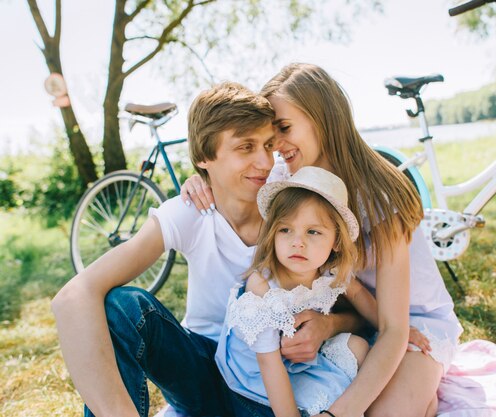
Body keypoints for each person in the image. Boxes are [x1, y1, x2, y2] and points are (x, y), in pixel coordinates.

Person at [51, 82, 356, 417]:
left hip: (273, 382)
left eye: (268, 145)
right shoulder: (191, 211)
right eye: (245, 147)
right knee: (123, 307)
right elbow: (73, 297)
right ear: (202, 158)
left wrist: (330, 325)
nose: (264, 162)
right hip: (200, 371)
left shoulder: (289, 202)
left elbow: (346, 294)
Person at [182, 63, 463, 417]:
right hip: (347, 316)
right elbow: (231, 178)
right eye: (272, 136)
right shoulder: (289, 179)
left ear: (323, 119)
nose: (276, 148)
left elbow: (394, 328)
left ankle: (420, 389)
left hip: (408, 326)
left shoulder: (381, 194)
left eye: (283, 129)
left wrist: (338, 414)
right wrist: (199, 180)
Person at [217, 165, 378, 417]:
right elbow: (268, 364)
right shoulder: (263, 287)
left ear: (335, 241)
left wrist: (396, 328)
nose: (297, 242)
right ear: (273, 234)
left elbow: (359, 296)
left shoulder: (330, 272)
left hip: (297, 361)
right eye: (285, 230)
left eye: (313, 231)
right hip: (257, 376)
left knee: (358, 346)